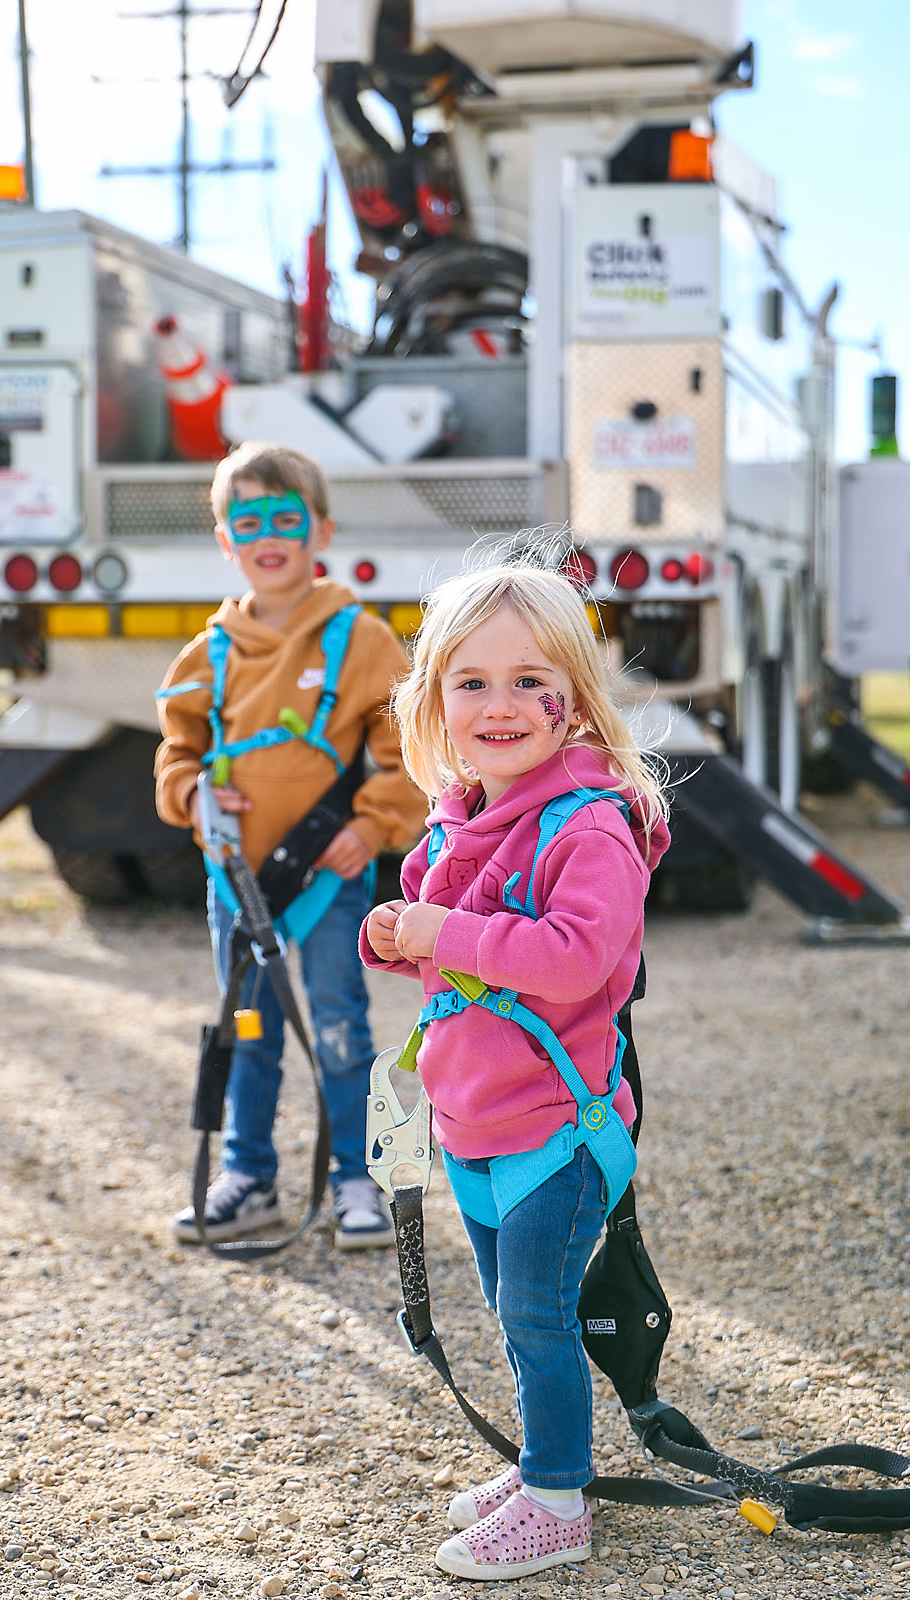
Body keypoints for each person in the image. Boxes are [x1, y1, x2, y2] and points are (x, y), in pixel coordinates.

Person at [360, 557, 670, 1578]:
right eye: (472, 682)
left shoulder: (588, 827)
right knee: (512, 1309)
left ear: (573, 697)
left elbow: (575, 959)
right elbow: (436, 941)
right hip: (474, 1120)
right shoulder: (459, 813)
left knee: (536, 1313)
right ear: (435, 700)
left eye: (530, 681)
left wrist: (442, 930)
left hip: (555, 1131)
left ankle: (555, 1503)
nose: (499, 705)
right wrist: (395, 931)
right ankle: (549, 1461)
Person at [155, 441, 426, 1250]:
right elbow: (176, 753)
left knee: (340, 1025)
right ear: (224, 540)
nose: (267, 536)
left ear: (321, 531)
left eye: (285, 518)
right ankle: (247, 1177)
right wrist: (192, 797)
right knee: (247, 1029)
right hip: (235, 883)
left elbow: (407, 752)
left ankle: (357, 1179)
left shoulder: (361, 639)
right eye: (247, 522)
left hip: (328, 881)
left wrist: (370, 827)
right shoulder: (207, 652)